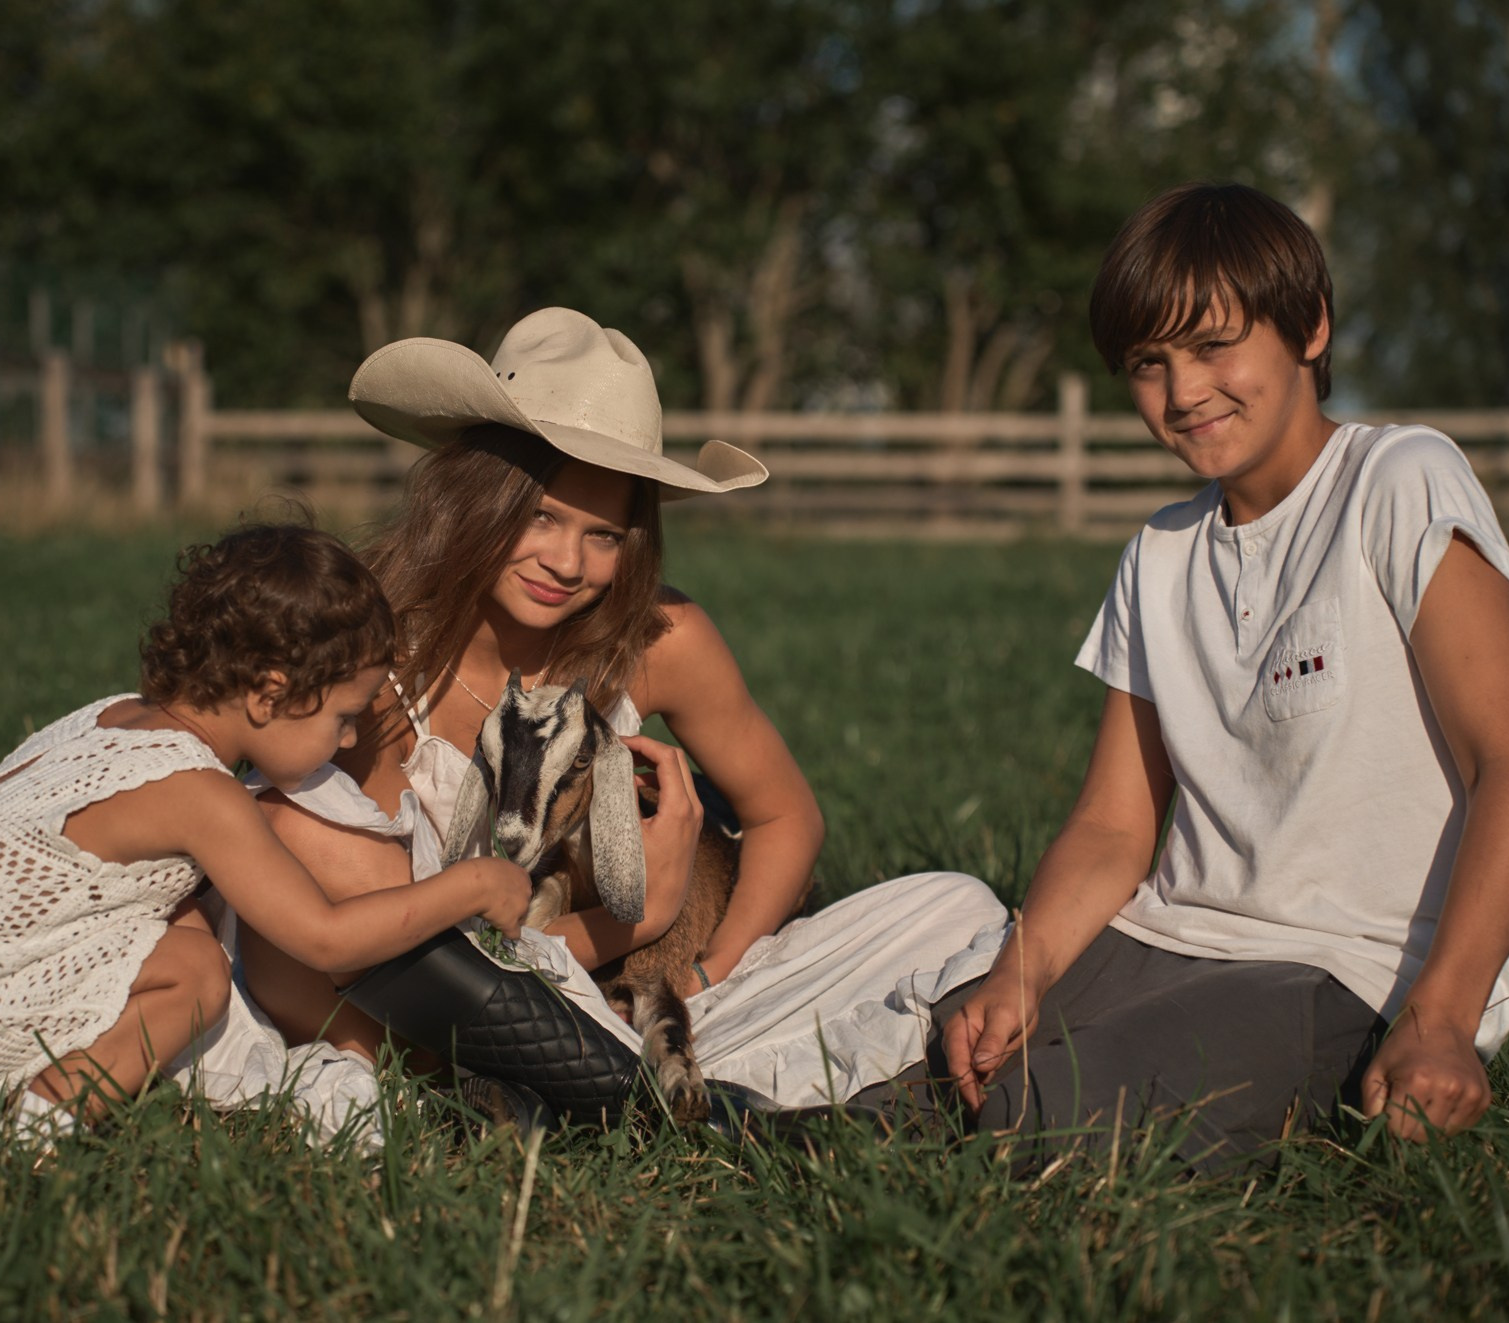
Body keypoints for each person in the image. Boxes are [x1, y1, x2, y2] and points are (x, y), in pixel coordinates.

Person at [235, 307, 1009, 1120]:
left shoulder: (660, 641)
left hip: (627, 989)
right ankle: (587, 1081)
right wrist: (644, 912)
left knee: (958, 907)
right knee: (303, 837)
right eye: (539, 517)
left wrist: (702, 971)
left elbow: (787, 817)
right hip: (413, 990)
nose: (567, 563)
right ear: (474, 497)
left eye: (604, 535)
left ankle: (643, 1063)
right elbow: (399, 931)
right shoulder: (376, 646)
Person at [933, 182, 1509, 1168]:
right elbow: (1111, 824)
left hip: (1339, 967)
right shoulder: (1159, 554)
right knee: (941, 1062)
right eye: (1149, 363)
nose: (1183, 394)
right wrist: (1022, 968)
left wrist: (1443, 1015)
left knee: (1043, 1117)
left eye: (1213, 345)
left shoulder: (1396, 481)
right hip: (1167, 938)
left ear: (1308, 327)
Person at [0, 523, 530, 1144]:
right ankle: (40, 1125)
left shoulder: (117, 716)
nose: (349, 738)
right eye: (343, 717)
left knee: (189, 934)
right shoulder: (201, 794)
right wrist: (469, 884)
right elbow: (324, 934)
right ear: (270, 694)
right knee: (195, 979)